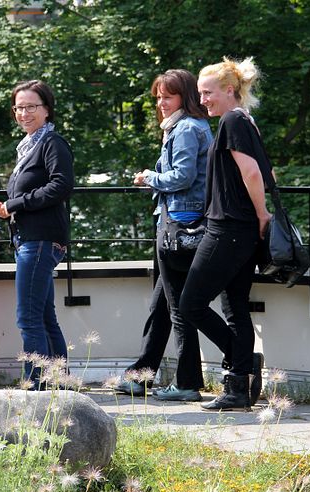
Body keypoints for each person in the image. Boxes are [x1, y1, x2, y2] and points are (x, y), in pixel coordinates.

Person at [179, 57, 271, 410]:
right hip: (242, 229)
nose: (202, 100)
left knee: (190, 304)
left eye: (207, 93)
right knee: (234, 307)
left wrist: (262, 215)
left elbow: (252, 173)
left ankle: (240, 361)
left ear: (229, 91)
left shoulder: (233, 120)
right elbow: (268, 171)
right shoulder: (246, 121)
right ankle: (237, 389)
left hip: (229, 228)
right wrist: (258, 219)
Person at [116, 69, 213, 402]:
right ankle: (141, 376)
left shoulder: (185, 129)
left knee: (178, 307)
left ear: (183, 97)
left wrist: (149, 178)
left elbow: (183, 177)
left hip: (178, 227)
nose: (161, 103)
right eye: (158, 97)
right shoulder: (191, 126)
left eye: (167, 96)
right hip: (180, 224)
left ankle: (188, 382)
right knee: (161, 305)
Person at [0, 80, 74, 389]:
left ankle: (36, 387)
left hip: (40, 239)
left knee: (28, 317)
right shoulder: (28, 146)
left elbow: (61, 185)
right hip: (30, 239)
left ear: (47, 109)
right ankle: (59, 383)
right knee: (43, 315)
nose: (24, 113)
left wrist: (15, 204)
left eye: (32, 107)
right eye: (19, 107)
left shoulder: (52, 143)